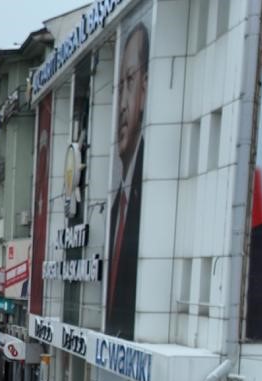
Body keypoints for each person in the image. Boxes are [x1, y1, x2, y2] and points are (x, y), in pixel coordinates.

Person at [105, 20, 150, 341]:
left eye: (130, 82)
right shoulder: (113, 206)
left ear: (146, 88)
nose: (121, 105)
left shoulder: (149, 195)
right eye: (118, 87)